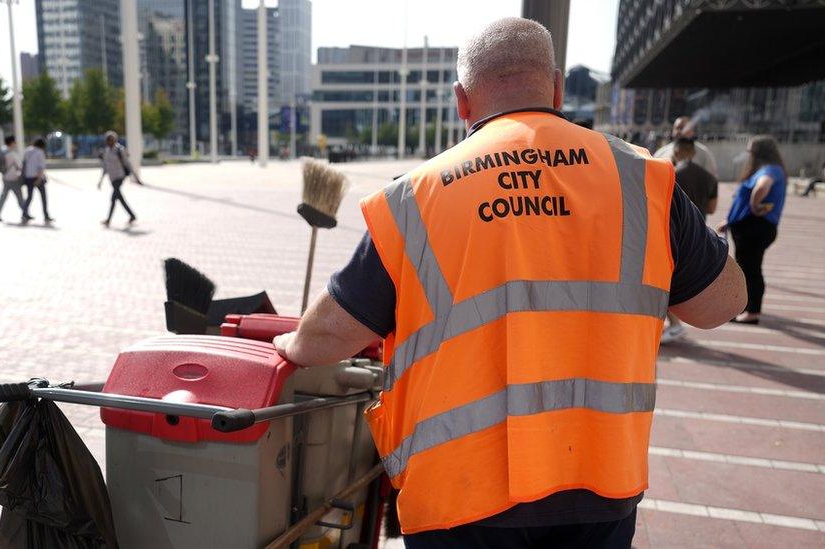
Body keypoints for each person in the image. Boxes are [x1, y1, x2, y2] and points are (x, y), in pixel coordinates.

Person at [273, 17, 746, 548]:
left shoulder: (416, 198)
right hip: (600, 483)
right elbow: (722, 303)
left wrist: (288, 341)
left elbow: (327, 340)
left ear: (461, 101)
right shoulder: (640, 178)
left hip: (463, 493)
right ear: (558, 88)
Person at [718, 136, 787, 325]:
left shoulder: (769, 170)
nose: (749, 155)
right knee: (749, 267)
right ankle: (747, 308)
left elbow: (763, 185)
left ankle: (752, 311)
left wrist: (755, 205)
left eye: (751, 152)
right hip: (751, 226)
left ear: (760, 153)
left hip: (754, 228)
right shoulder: (771, 168)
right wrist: (731, 219)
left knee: (751, 269)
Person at [661, 137, 720, 343]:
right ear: (694, 153)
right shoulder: (708, 178)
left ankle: (675, 325)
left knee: (664, 283)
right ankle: (675, 325)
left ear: (676, 152)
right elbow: (712, 208)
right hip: (696, 232)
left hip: (672, 232)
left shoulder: (670, 174)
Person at [99, 131, 142, 227]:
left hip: (120, 176)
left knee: (114, 198)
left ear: (115, 140)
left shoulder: (120, 150)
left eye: (111, 140)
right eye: (107, 140)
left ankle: (109, 220)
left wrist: (136, 177)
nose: (109, 142)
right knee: (119, 198)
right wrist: (100, 181)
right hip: (112, 177)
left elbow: (128, 164)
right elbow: (105, 166)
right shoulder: (106, 151)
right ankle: (132, 215)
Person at [654, 116, 719, 178]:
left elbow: (712, 179)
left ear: (692, 131)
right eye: (677, 128)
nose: (679, 131)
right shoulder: (661, 154)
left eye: (683, 128)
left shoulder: (704, 154)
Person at [0, 136, 26, 222]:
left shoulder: (2, 152)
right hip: (14, 178)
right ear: (12, 143)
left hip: (5, 177)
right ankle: (25, 213)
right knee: (20, 198)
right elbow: (20, 166)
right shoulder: (13, 153)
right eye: (15, 142)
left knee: (3, 196)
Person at [22, 138, 53, 223]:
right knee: (43, 197)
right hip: (37, 177)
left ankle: (24, 213)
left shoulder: (27, 151)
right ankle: (46, 215)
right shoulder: (40, 152)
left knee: (29, 197)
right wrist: (39, 179)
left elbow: (24, 164)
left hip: (28, 177)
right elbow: (41, 167)